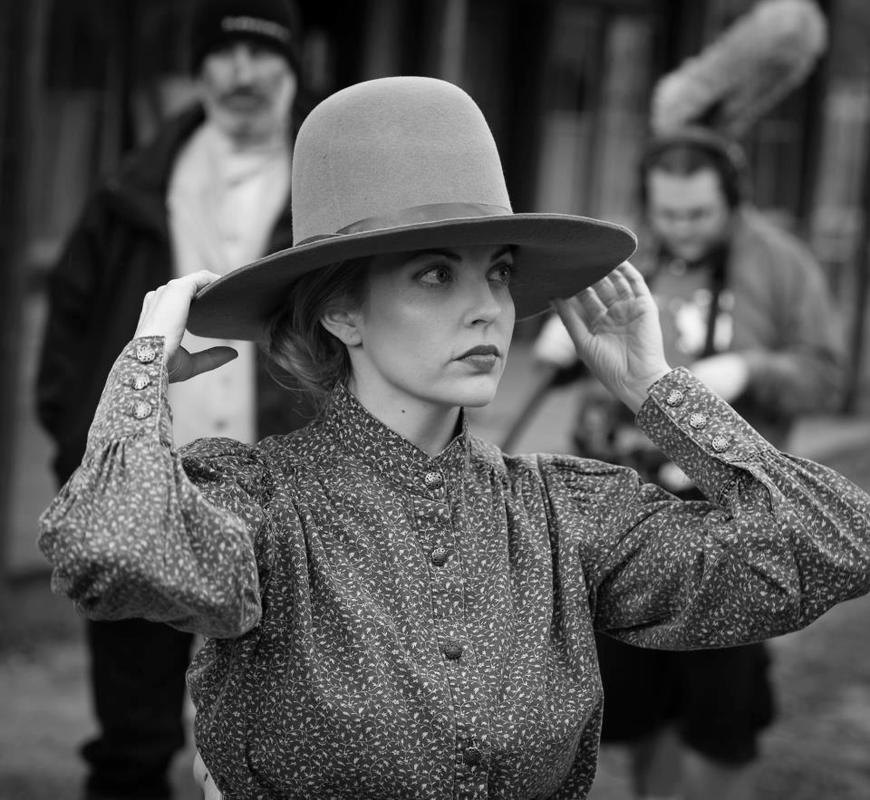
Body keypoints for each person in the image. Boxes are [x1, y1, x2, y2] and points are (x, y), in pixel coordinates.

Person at [38, 76, 870, 800]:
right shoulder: (261, 505)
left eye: (498, 272)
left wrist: (655, 388)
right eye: (436, 274)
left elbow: (834, 543)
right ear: (342, 310)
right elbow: (111, 549)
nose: (487, 309)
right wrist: (141, 372)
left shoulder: (560, 512)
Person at [35, 1, 310, 797]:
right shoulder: (131, 188)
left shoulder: (327, 195)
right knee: (133, 739)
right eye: (224, 53)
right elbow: (69, 332)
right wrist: (83, 443)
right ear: (198, 70)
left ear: (294, 72)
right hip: (146, 500)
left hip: (286, 508)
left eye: (263, 54)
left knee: (290, 742)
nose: (243, 73)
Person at [534, 126, 844, 800]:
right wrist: (562, 347)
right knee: (632, 702)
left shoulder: (781, 265)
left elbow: (826, 375)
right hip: (627, 520)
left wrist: (752, 370)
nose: (681, 229)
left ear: (734, 200)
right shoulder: (627, 254)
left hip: (730, 520)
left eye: (698, 214)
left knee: (720, 714)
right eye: (667, 213)